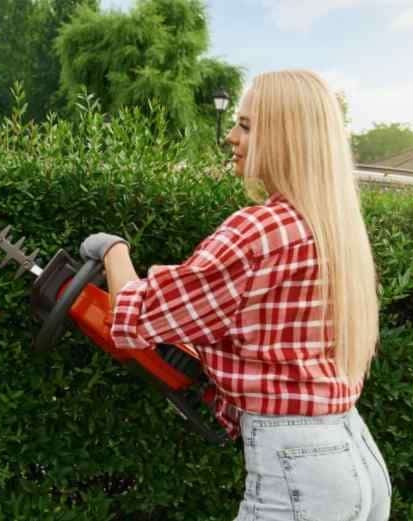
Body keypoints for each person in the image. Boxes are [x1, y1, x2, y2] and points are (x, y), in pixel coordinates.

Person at [79, 70, 391, 521]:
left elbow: (136, 315)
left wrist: (112, 250)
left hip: (299, 473)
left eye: (245, 125)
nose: (231, 137)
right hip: (354, 456)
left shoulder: (262, 229)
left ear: (283, 136)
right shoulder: (335, 229)